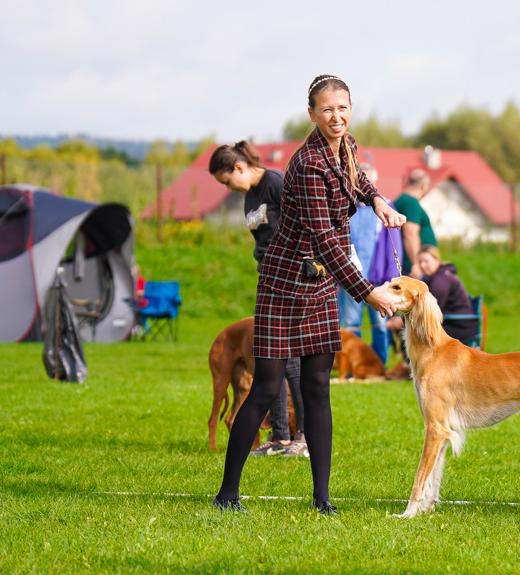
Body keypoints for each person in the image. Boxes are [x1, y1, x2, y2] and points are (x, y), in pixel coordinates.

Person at [213, 74, 405, 516]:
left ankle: (322, 500)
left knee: (319, 388)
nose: (336, 118)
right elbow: (324, 238)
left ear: (350, 108)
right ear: (312, 114)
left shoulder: (348, 147)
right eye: (326, 110)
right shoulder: (306, 164)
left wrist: (377, 200)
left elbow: (355, 183)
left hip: (319, 283)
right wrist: (367, 293)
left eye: (342, 108)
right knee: (264, 389)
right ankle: (227, 494)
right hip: (282, 285)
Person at [208, 140, 307, 459]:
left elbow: (303, 226)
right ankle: (279, 437)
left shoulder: (275, 183)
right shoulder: (249, 195)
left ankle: (302, 437)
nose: (228, 187)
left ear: (238, 167)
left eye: (226, 180)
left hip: (290, 277)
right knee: (269, 360)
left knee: (291, 362)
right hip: (267, 278)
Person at [337, 163, 403, 364]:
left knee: (380, 325)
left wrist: (392, 277)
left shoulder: (386, 206)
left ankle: (379, 363)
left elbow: (394, 244)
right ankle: (352, 365)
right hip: (351, 277)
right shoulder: (346, 207)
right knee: (352, 324)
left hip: (378, 278)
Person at [386, 244, 478, 344]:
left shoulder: (442, 280)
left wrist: (399, 322)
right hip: (452, 323)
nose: (422, 265)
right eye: (420, 262)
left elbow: (427, 310)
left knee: (417, 335)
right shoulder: (435, 277)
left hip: (460, 326)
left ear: (437, 260)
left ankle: (410, 360)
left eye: (426, 261)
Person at [393, 169, 436, 278]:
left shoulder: (403, 200)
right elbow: (410, 234)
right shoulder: (410, 203)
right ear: (424, 185)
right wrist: (416, 263)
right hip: (411, 267)